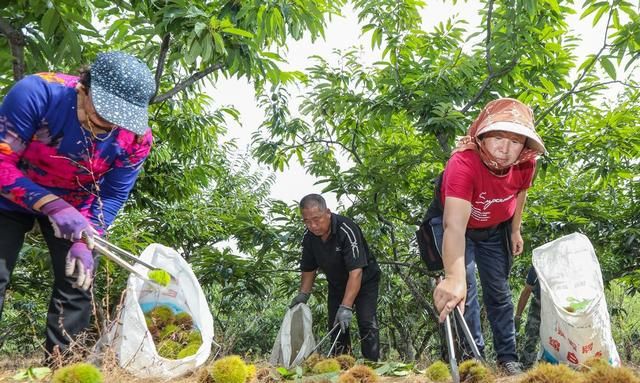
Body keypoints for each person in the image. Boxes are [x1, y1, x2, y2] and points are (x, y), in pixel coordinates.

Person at [0, 51, 155, 357]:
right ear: (84, 89)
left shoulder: (137, 139)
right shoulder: (38, 93)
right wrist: (51, 205)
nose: (106, 128)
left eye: (117, 122)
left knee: (78, 282)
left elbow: (112, 194)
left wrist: (90, 236)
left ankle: (63, 367)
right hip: (9, 193)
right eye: (100, 117)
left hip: (78, 207)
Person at [430, 98, 546, 375]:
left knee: (499, 292)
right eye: (497, 137)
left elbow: (520, 194)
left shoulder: (525, 165)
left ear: (525, 147)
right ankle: (474, 360)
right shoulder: (463, 162)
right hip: (460, 229)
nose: (505, 149)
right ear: (481, 136)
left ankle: (508, 358)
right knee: (464, 291)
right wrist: (454, 278)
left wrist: (515, 229)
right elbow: (454, 225)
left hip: (495, 231)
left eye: (516, 141)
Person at [289, 194, 381, 361]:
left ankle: (372, 365)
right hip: (337, 284)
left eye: (317, 219)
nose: (313, 225)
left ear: (328, 213)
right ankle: (341, 365)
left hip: (365, 281)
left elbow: (356, 272)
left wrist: (346, 306)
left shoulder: (347, 229)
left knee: (367, 323)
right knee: (336, 325)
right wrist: (303, 295)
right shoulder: (309, 238)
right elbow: (309, 269)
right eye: (307, 221)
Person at [515, 265, 541, 369]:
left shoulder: (568, 264)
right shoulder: (539, 263)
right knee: (531, 338)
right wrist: (518, 316)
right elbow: (526, 292)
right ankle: (526, 367)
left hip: (558, 307)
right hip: (539, 305)